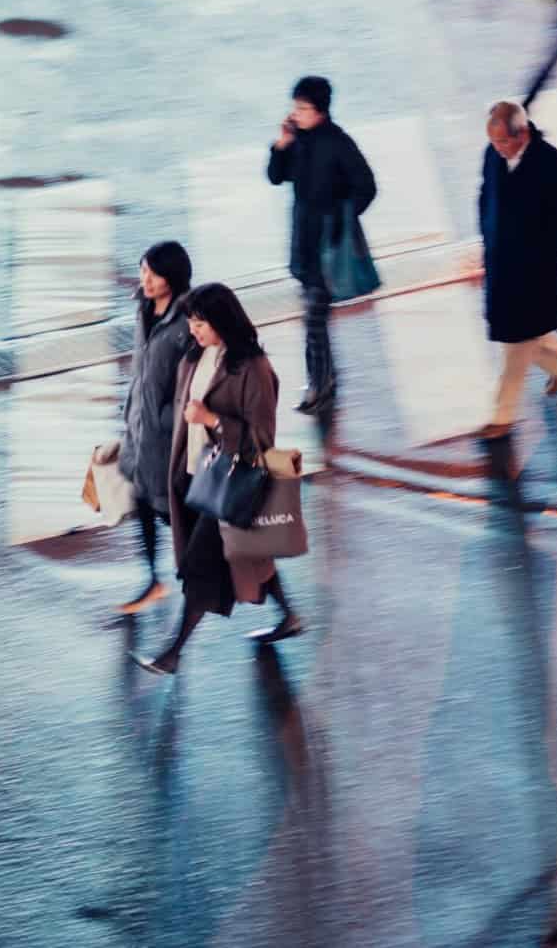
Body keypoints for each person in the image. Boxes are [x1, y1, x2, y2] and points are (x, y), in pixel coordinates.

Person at [133, 283, 301, 677]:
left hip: (230, 480)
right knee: (249, 554)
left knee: (199, 569)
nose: (194, 330)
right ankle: (290, 615)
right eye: (191, 322)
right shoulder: (195, 357)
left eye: (200, 323)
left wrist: (211, 420)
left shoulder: (254, 369)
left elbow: (260, 438)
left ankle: (172, 654)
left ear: (223, 321)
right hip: (195, 476)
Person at [265, 76, 377, 414]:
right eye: (294, 107)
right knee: (316, 319)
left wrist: (341, 219)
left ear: (321, 111)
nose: (295, 113)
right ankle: (324, 379)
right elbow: (275, 176)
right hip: (303, 242)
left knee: (314, 319)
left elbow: (366, 186)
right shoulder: (297, 139)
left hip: (327, 248)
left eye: (302, 108)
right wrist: (281, 145)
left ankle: (320, 386)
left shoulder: (339, 143)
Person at [478, 102, 557, 439]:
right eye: (493, 142)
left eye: (503, 142)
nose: (497, 149)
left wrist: (542, 251)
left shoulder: (549, 163)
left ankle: (502, 416)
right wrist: (488, 239)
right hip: (501, 263)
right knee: (521, 333)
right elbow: (485, 198)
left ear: (522, 133)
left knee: (515, 343)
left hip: (532, 270)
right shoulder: (493, 156)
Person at [113, 242, 195, 616]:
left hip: (171, 446)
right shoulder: (144, 308)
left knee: (207, 536)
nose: (144, 278)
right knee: (142, 505)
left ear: (172, 278)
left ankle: (278, 600)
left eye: (153, 273)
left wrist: (166, 421)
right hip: (142, 436)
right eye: (142, 269)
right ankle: (152, 580)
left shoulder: (189, 323)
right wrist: (128, 418)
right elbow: (141, 372)